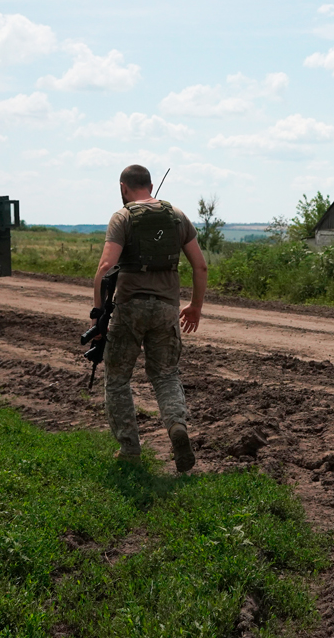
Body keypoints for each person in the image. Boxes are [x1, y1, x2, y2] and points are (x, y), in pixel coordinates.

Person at [92, 164, 207, 471]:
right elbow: (200, 266)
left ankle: (129, 449)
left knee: (117, 380)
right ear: (151, 185)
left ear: (123, 187)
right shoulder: (178, 216)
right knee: (166, 375)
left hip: (129, 308)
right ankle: (176, 428)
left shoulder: (123, 217)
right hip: (168, 309)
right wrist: (195, 306)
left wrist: (99, 317)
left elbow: (105, 269)